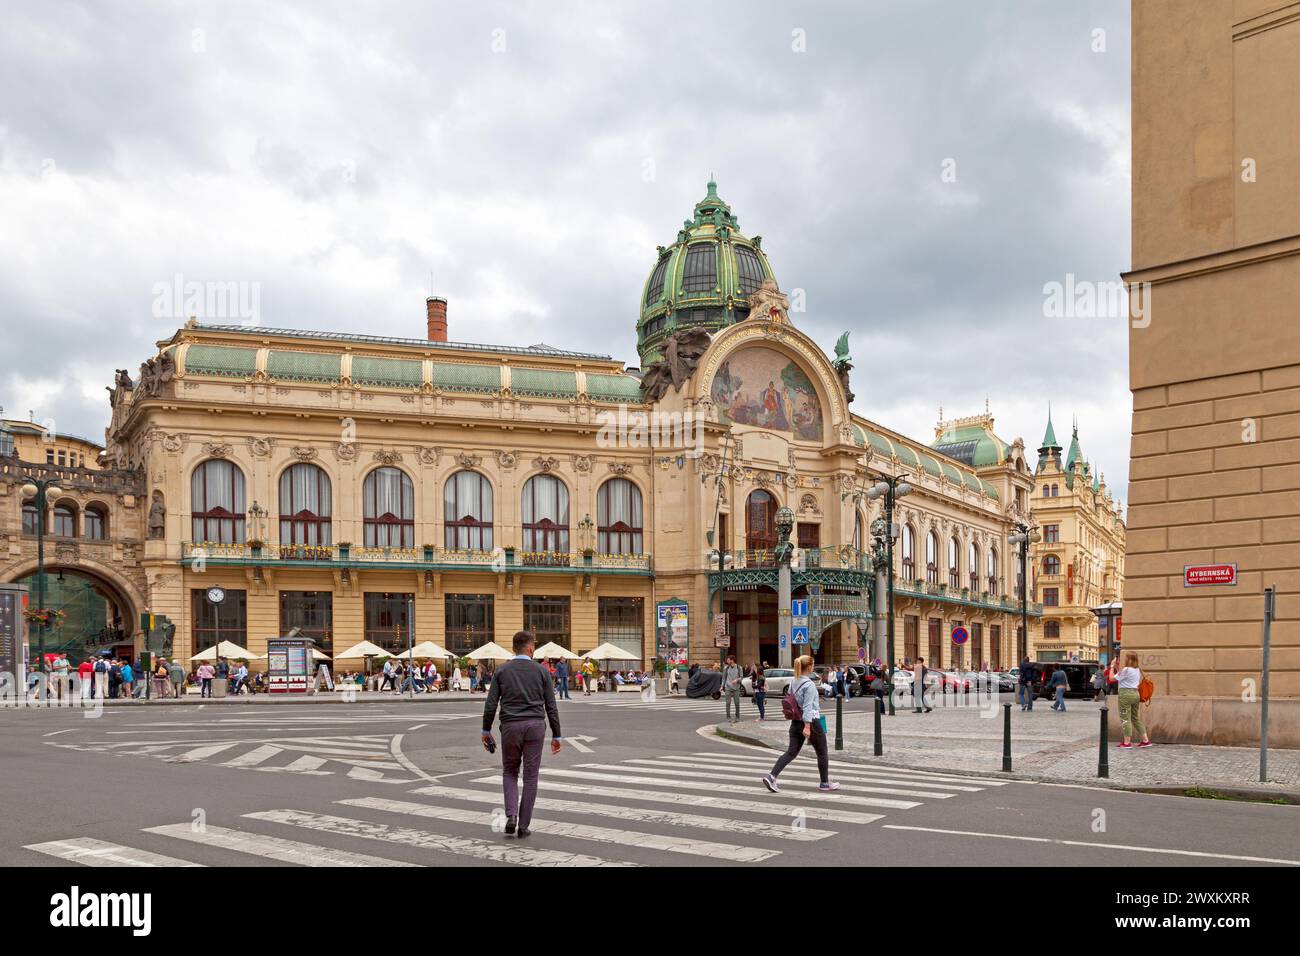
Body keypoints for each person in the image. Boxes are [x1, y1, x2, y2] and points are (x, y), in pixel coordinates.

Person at [481, 631, 563, 838]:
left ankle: (511, 815)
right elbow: (551, 706)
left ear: (513, 648)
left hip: (510, 726)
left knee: (509, 771)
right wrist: (557, 735)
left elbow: (491, 704)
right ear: (530, 648)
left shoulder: (502, 671)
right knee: (531, 776)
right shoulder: (542, 671)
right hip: (535, 726)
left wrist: (486, 730)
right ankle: (524, 825)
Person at [762, 655, 839, 793]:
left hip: (795, 721)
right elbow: (808, 707)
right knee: (822, 752)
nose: (813, 667)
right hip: (811, 722)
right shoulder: (809, 685)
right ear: (809, 667)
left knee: (791, 752)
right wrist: (808, 726)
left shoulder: (793, 682)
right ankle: (824, 783)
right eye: (813, 664)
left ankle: (771, 776)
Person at [1116, 652, 1152, 748]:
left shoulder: (1126, 669)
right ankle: (1145, 740)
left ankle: (1127, 743)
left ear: (1129, 659)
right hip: (1135, 694)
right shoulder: (1137, 670)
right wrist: (1116, 667)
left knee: (1125, 718)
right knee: (1135, 718)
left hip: (1125, 695)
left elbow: (1112, 678)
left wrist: (1111, 667)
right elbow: (1121, 678)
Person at [721, 654, 744, 724]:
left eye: (728, 660)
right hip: (728, 687)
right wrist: (722, 686)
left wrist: (736, 680)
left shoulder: (739, 667)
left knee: (737, 703)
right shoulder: (726, 668)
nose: (727, 661)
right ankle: (728, 717)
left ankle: (737, 717)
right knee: (728, 703)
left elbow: (741, 677)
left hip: (736, 688)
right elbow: (724, 678)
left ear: (732, 660)